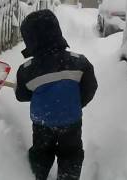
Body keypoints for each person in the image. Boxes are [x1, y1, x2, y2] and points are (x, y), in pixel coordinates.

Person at [15, 9, 98, 180]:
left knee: (41, 152)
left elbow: (22, 95)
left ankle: (36, 174)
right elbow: (90, 87)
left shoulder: (27, 70)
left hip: (42, 123)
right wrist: (75, 102)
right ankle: (68, 175)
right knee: (71, 153)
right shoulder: (79, 62)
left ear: (30, 40)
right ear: (57, 31)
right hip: (71, 120)